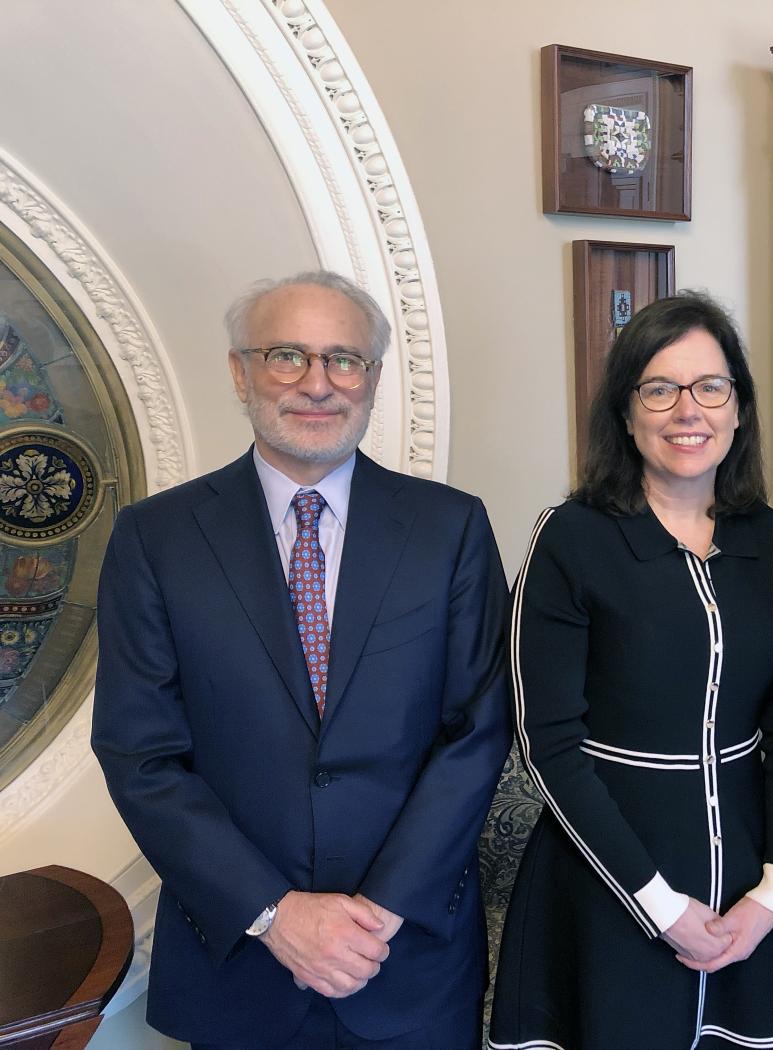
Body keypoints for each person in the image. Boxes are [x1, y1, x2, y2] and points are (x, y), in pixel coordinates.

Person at [92, 271, 511, 1048]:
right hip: (239, 967)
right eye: (288, 355)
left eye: (343, 360)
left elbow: (478, 731)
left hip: (405, 956)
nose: (318, 384)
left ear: (373, 378)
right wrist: (275, 913)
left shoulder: (450, 529)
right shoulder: (157, 539)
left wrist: (378, 913)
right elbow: (139, 752)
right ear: (239, 370)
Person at [488, 293, 773, 1049]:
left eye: (710, 386)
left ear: (738, 408)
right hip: (609, 880)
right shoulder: (570, 538)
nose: (687, 411)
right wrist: (660, 907)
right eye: (659, 389)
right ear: (626, 413)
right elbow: (548, 747)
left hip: (748, 881)